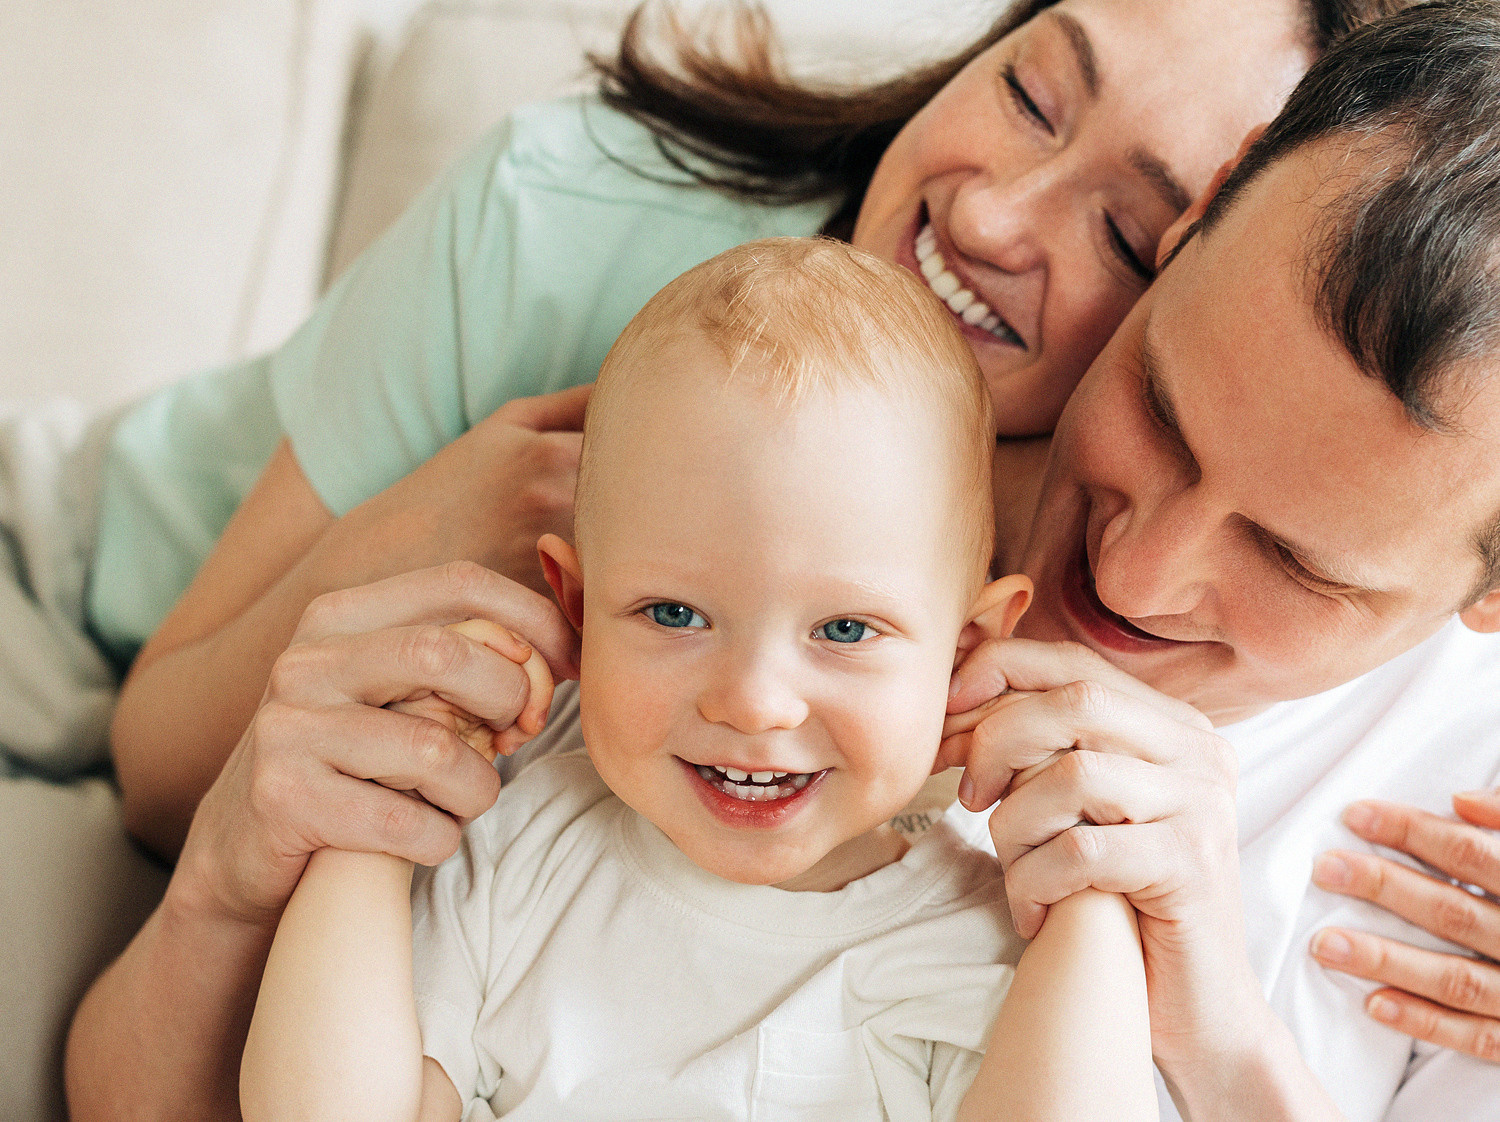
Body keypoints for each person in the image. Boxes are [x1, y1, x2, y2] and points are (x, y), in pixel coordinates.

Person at [60, 2, 1500, 1120]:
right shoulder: (617, 290)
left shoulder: (1438, 851)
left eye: (1300, 562)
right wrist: (404, 556)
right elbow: (174, 810)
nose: (1137, 570)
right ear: (1205, 226)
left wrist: (1214, 1029)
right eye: (1163, 409)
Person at [237, 237, 1157, 1122]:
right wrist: (381, 815)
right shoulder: (520, 853)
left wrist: (1087, 891)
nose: (753, 702)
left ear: (962, 654)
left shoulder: (977, 940)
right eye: (675, 615)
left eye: (844, 630)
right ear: (578, 608)